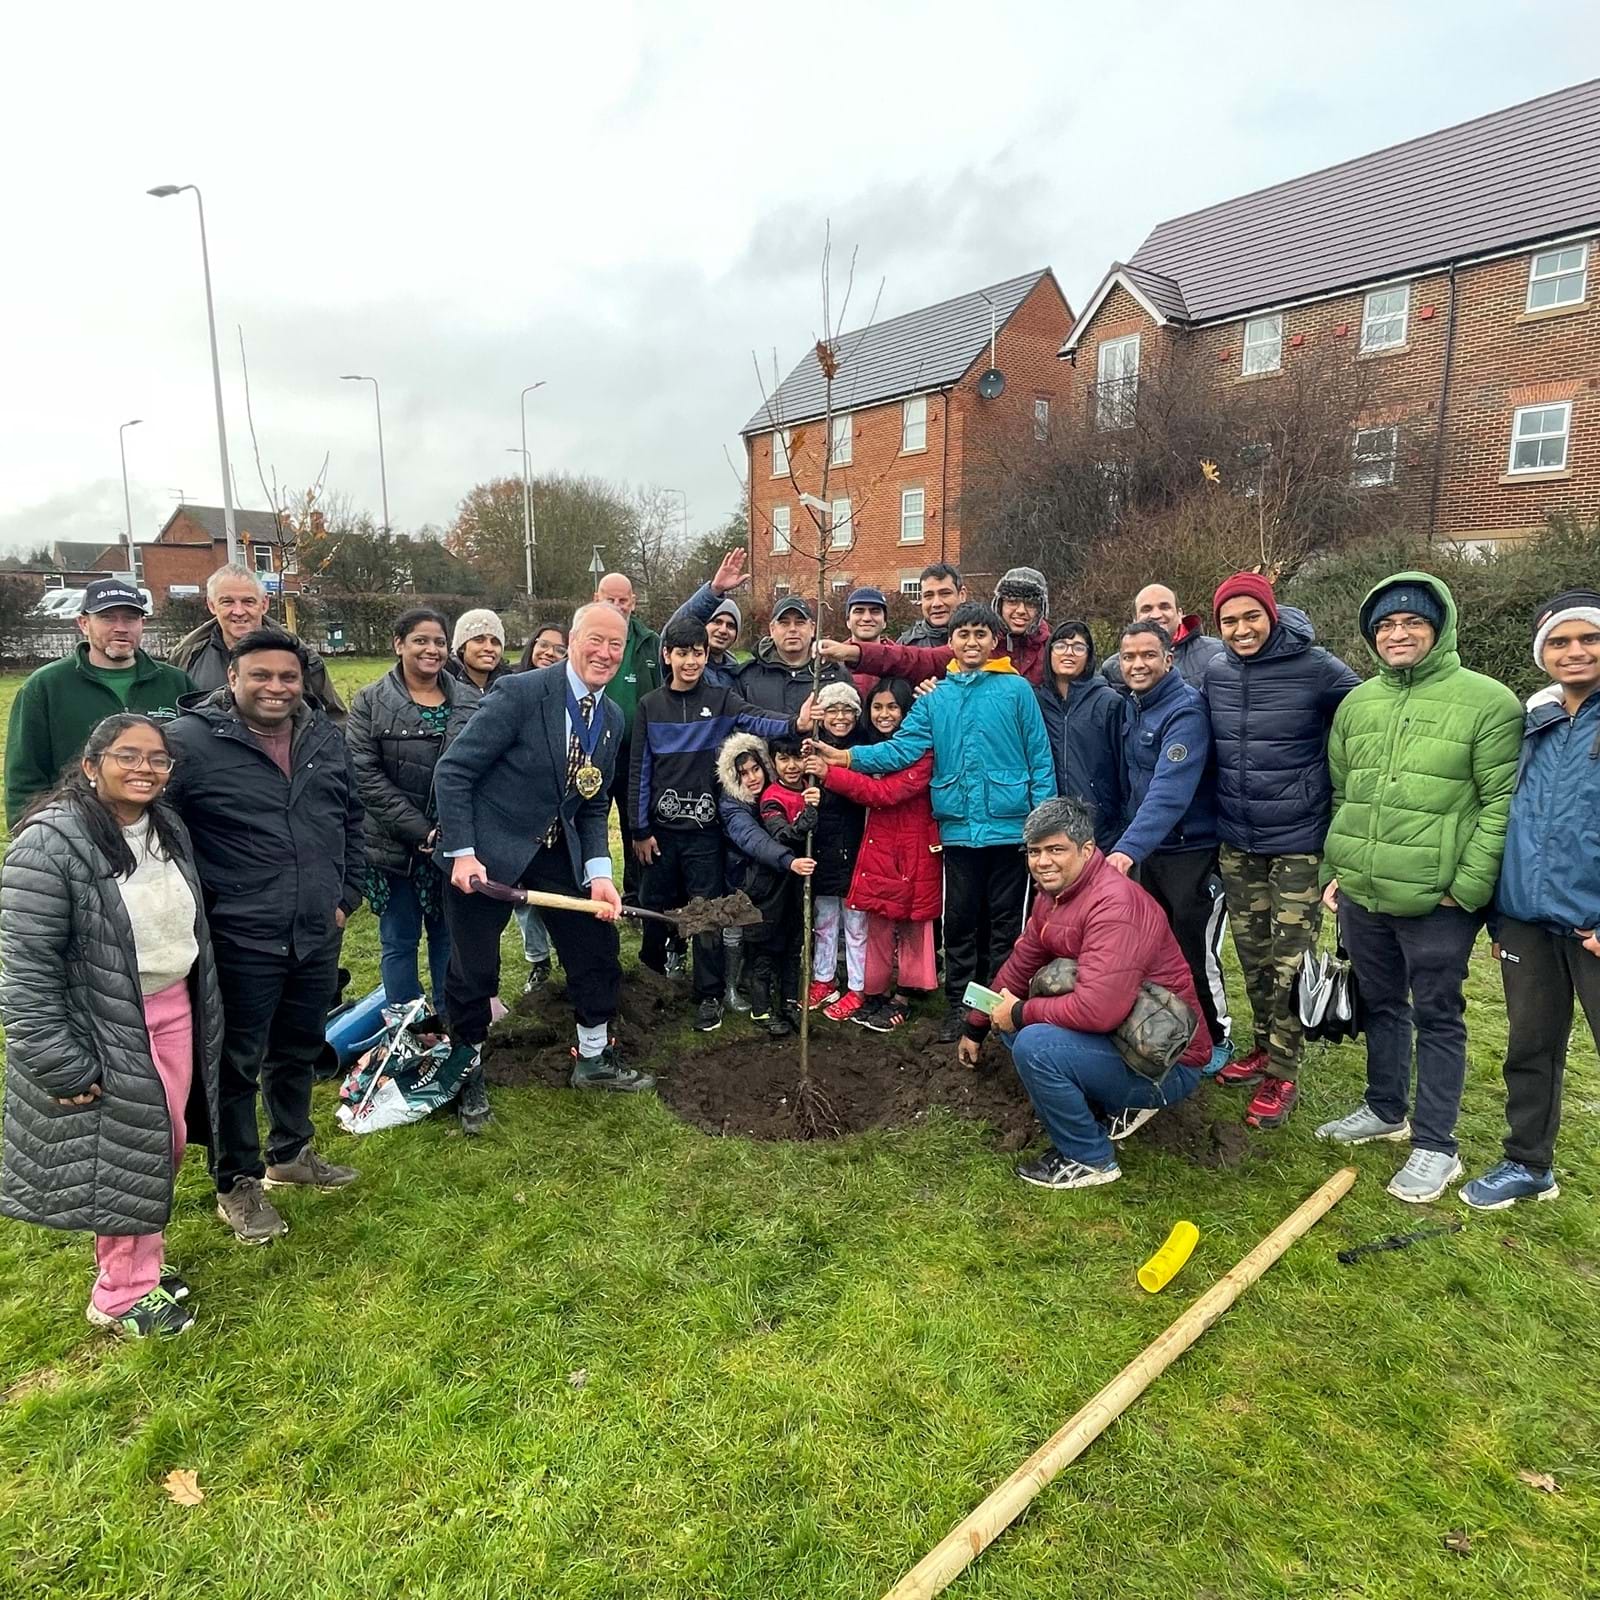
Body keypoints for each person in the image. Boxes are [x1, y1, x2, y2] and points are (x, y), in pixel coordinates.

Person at [0, 715, 223, 1337]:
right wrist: (56, 1059)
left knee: (165, 1142)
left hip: (173, 1008)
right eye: (129, 756)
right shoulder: (50, 842)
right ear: (92, 765)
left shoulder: (165, 827)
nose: (145, 768)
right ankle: (122, 1294)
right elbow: (24, 966)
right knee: (132, 1153)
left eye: (158, 759)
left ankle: (140, 1263)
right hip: (105, 1022)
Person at [1316, 573, 1522, 1203]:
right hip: (1364, 891)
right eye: (1384, 626)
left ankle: (1436, 1144)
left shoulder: (1488, 703)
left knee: (1438, 1015)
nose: (1397, 634)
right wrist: (1335, 870)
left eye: (1411, 623)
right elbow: (1343, 792)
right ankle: (1384, 1108)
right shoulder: (1358, 703)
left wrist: (1465, 887)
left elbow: (1500, 805)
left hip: (1438, 900)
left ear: (1440, 628)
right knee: (1381, 1004)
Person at [165, 630, 362, 1244]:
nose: (276, 688)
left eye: (288, 677)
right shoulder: (191, 744)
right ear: (232, 679)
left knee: (299, 1047)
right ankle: (237, 1181)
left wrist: (344, 895)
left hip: (314, 930)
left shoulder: (324, 738)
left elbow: (351, 818)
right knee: (235, 1063)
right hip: (240, 936)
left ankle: (290, 1153)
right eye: (261, 676)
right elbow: (157, 831)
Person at [436, 602, 651, 1130]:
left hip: (558, 850)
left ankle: (594, 1058)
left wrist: (600, 872)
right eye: (595, 640)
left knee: (595, 948)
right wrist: (463, 852)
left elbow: (594, 800)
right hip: (489, 848)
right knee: (474, 969)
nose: (605, 653)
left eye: (616, 645)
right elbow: (454, 772)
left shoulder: (612, 716)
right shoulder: (522, 693)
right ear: (573, 639)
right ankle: (467, 1074)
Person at [809, 601, 1055, 1043]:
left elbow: (1039, 758)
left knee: (1004, 926)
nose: (972, 642)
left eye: (981, 634)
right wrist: (846, 757)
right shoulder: (937, 698)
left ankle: (999, 1009)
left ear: (994, 641)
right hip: (958, 831)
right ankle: (962, 1007)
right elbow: (899, 751)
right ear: (952, 643)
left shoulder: (1017, 691)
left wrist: (1041, 830)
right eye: (963, 635)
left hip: (1009, 828)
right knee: (960, 925)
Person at [958, 797, 1211, 1189]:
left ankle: (1088, 1158)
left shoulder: (1115, 905)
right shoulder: (1054, 897)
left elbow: (1099, 1011)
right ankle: (1112, 1103)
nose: (1043, 862)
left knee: (1034, 1044)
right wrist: (977, 1022)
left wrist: (1022, 1012)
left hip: (1169, 1061)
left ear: (1087, 850)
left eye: (1056, 849)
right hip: (1131, 1037)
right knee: (1015, 1021)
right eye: (1035, 851)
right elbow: (1021, 963)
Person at [1202, 574, 1360, 1130]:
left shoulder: (1317, 668)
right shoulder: (1215, 671)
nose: (1241, 630)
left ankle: (1285, 1069)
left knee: (1290, 960)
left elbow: (1367, 716)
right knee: (1251, 956)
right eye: (1230, 621)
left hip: (1298, 842)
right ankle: (1263, 1047)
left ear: (1271, 616)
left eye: (1251, 617)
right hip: (1238, 840)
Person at [1465, 590, 1600, 1209]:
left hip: (1593, 922)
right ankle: (1527, 1164)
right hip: (1525, 920)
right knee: (1530, 1046)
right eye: (1559, 642)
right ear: (1542, 654)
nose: (1574, 651)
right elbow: (1507, 819)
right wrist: (1501, 915)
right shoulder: (1533, 724)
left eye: (1588, 638)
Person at [628, 616, 798, 1032]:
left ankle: (709, 994)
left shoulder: (721, 700)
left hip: (704, 836)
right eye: (682, 653)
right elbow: (640, 771)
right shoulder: (650, 706)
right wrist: (639, 829)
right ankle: (649, 981)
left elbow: (757, 719)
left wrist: (797, 723)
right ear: (667, 656)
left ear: (707, 654)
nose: (691, 661)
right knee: (654, 907)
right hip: (661, 836)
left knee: (705, 913)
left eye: (698, 653)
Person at [1105, 620, 1232, 1067]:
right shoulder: (1133, 707)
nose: (1137, 664)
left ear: (1168, 658)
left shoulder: (1186, 711)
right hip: (1150, 853)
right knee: (1154, 952)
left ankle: (1217, 1038)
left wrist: (1125, 850)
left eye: (1147, 655)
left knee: (1193, 951)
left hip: (1190, 854)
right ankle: (1170, 1031)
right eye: (1128, 657)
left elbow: (1169, 791)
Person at [346, 607, 481, 1012]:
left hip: (452, 845)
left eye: (439, 642)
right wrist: (421, 829)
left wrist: (451, 829)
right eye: (421, 640)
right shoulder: (370, 701)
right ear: (399, 644)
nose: (431, 649)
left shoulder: (471, 701)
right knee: (399, 940)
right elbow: (364, 775)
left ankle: (448, 1017)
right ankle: (405, 1026)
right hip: (393, 847)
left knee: (448, 938)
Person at [5, 577, 194, 828]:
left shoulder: (175, 682)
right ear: (83, 623)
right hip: (79, 831)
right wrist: (33, 834)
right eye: (107, 617)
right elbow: (24, 779)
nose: (120, 627)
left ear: (142, 624)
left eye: (130, 618)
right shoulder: (45, 687)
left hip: (163, 831)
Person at [807, 678, 940, 1031]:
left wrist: (831, 774)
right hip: (879, 843)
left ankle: (906, 996)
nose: (884, 714)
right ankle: (875, 990)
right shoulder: (871, 747)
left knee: (912, 921)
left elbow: (885, 792)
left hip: (913, 846)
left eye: (892, 707)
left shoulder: (921, 749)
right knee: (878, 917)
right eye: (877, 707)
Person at [716, 733, 817, 1025]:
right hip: (751, 883)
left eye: (755, 769)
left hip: (784, 883)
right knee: (761, 944)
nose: (751, 778)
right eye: (742, 773)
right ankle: (748, 998)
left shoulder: (777, 791)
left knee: (789, 942)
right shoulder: (733, 804)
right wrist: (789, 858)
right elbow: (756, 840)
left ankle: (787, 1001)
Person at [169, 563, 347, 723]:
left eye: (248, 602)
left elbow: (336, 718)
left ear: (264, 604)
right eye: (227, 602)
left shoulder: (302, 657)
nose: (238, 611)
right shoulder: (186, 656)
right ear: (211, 605)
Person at [804, 682, 871, 1021]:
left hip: (855, 844)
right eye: (832, 711)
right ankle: (823, 979)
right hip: (823, 848)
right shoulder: (812, 749)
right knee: (824, 920)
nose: (840, 717)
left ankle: (858, 985)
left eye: (847, 711)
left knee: (857, 923)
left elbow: (862, 792)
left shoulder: (861, 749)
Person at [594, 571, 662, 904]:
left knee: (637, 826)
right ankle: (593, 891)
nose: (618, 606)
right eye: (611, 599)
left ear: (633, 602)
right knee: (591, 824)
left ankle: (635, 897)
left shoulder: (650, 641)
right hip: (595, 752)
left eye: (624, 600)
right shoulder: (587, 638)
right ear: (596, 599)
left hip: (638, 754)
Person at [750, 736, 823, 1034]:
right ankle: (762, 1010)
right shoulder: (772, 796)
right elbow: (782, 834)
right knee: (769, 946)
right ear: (774, 762)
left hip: (802, 885)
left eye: (797, 759)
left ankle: (790, 1002)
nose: (791, 766)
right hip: (774, 885)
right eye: (783, 759)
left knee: (796, 945)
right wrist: (807, 817)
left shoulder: (811, 789)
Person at [1033, 620, 1124, 850]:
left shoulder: (1108, 702)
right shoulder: (1035, 701)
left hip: (1101, 826)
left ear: (1089, 656)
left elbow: (1124, 767)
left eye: (1078, 647)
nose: (1069, 653)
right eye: (1061, 645)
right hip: (1052, 824)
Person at [515, 621, 568, 985]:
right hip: (519, 816)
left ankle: (567, 950)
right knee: (523, 896)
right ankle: (538, 958)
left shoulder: (570, 695)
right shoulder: (513, 691)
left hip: (561, 813)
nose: (548, 653)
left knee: (561, 892)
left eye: (558, 649)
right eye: (543, 645)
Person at [736, 594, 851, 713]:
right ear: (772, 629)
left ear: (812, 628)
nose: (792, 629)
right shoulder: (747, 677)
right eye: (784, 623)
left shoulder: (836, 673)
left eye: (800, 623)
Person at [1103, 582, 1224, 695]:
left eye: (1165, 607)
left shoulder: (1215, 653)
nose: (1156, 615)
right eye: (1147, 609)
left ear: (1180, 613)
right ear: (1135, 618)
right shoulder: (1113, 669)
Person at [665, 547, 754, 690]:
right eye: (717, 622)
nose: (723, 630)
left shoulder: (738, 674)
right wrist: (714, 591)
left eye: (731, 626)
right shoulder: (684, 666)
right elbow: (675, 627)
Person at [992, 567, 1053, 684]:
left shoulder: (1051, 650)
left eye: (1030, 604)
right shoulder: (982, 645)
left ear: (1040, 610)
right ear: (1000, 605)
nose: (1021, 610)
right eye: (1012, 601)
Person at [899, 562, 967, 647]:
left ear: (962, 595)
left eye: (945, 594)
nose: (936, 603)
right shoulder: (906, 646)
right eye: (928, 596)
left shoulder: (982, 640)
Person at [447, 608, 513, 694]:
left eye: (495, 642)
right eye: (479, 640)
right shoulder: (444, 686)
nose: (489, 648)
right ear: (462, 647)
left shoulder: (510, 687)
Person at [842, 586, 890, 695]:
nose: (867, 618)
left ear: (885, 622)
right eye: (859, 611)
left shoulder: (901, 663)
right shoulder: (834, 662)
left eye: (875, 611)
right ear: (848, 621)